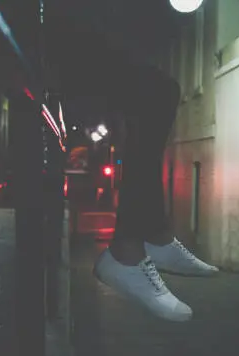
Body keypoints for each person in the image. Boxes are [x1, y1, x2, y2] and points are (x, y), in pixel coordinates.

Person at [44, 14, 219, 322]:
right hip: (52, 25)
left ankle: (155, 236)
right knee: (157, 93)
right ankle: (128, 250)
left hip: (66, 24)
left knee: (162, 91)